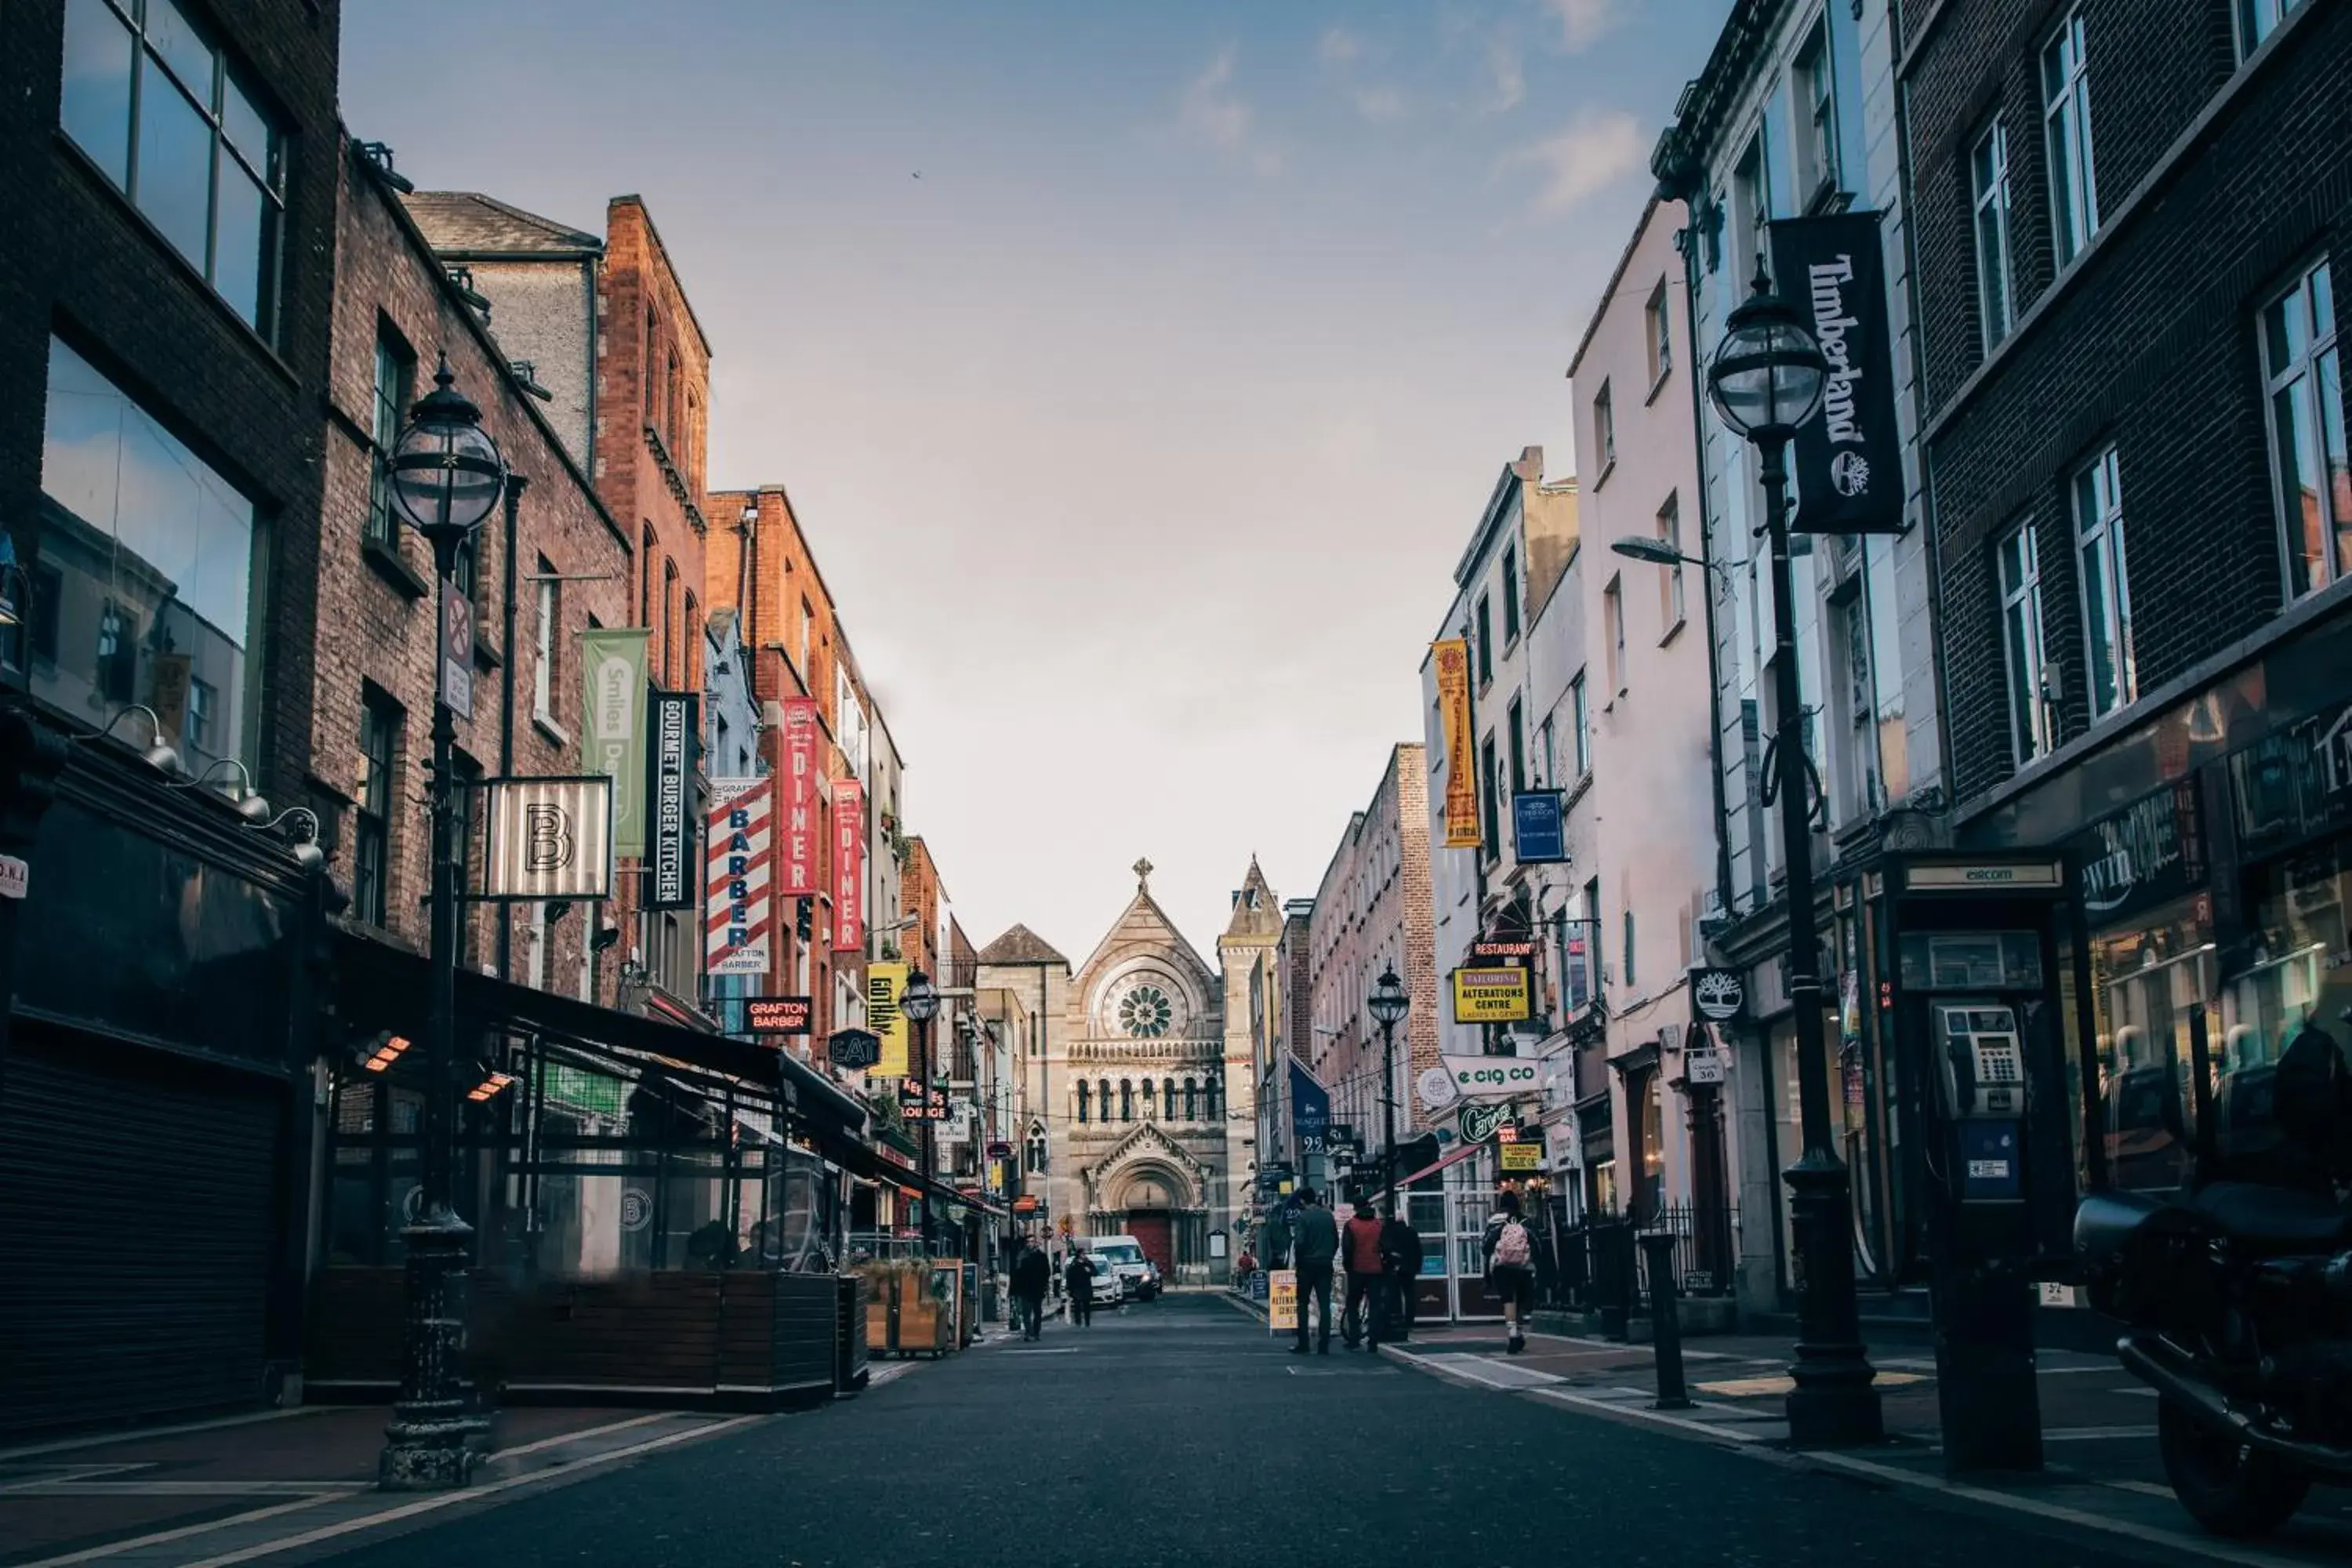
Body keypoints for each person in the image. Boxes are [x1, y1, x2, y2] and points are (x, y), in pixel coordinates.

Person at [1483, 1189, 1536, 1355]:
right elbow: (1536, 1241)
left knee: (1508, 1300)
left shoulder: (1494, 1220)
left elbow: (1486, 1246)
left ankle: (1512, 1335)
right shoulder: (1525, 1219)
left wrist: (1487, 1274)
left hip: (1501, 1266)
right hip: (1523, 1266)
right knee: (1520, 1300)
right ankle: (1519, 1333)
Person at [1288, 1188, 1338, 1354]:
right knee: (1324, 1304)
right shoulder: (1328, 1216)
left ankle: (1304, 1344)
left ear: (1302, 1201)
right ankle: (1324, 1344)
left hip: (1307, 1266)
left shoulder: (1303, 1218)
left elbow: (1300, 1243)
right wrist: (1328, 1256)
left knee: (1302, 1304)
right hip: (1325, 1264)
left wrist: (1299, 1263)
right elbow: (1335, 1241)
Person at [1340, 1197, 1387, 1348]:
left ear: (1355, 1208)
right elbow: (1384, 1247)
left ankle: (1354, 1339)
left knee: (1353, 1304)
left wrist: (1348, 1266)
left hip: (1357, 1269)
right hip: (1376, 1269)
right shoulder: (1378, 1225)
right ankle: (1373, 1341)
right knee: (1375, 1305)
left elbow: (1347, 1249)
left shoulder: (1351, 1225)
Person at [1380, 1203, 1421, 1343]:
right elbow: (1418, 1251)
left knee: (1393, 1295)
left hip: (1395, 1268)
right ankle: (1410, 1320)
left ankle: (1394, 1319)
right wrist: (1417, 1267)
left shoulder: (1390, 1232)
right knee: (1410, 1295)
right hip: (1410, 1268)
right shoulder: (1411, 1231)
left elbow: (1386, 1249)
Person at [1011, 1236, 1052, 1340]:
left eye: (1032, 1242)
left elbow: (1047, 1272)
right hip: (1025, 1289)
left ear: (1035, 1243)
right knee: (1026, 1313)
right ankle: (1029, 1332)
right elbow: (1016, 1273)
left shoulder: (1041, 1256)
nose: (1030, 1244)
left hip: (1038, 1289)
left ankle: (1036, 1332)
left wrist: (1044, 1285)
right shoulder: (1021, 1256)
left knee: (1037, 1312)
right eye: (1028, 1242)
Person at [1065, 1245, 1096, 1327]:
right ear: (1079, 1255)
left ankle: (1087, 1322)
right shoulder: (1074, 1264)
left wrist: (1090, 1271)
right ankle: (1078, 1322)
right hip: (1077, 1288)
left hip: (1086, 1287)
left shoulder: (1088, 1263)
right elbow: (1069, 1277)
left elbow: (1095, 1272)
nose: (1084, 1255)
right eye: (1083, 1254)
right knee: (1077, 1306)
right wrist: (1068, 1288)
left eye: (1085, 1254)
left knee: (1087, 1306)